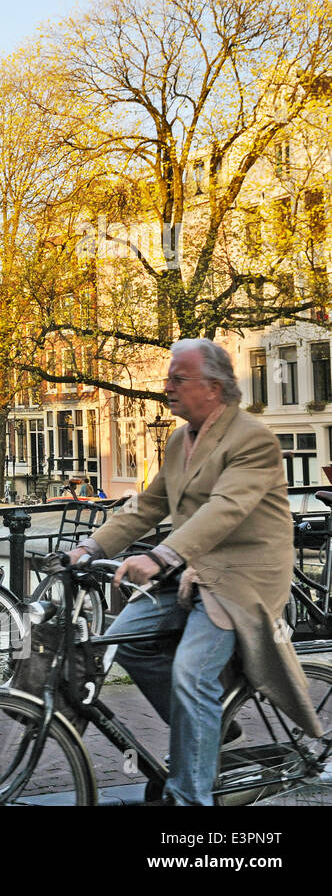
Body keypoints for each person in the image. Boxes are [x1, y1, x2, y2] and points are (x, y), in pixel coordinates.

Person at [68, 338, 320, 805]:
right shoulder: (178, 440)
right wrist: (90, 547)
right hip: (194, 568)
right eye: (169, 378)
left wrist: (160, 556)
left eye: (178, 379)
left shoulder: (252, 439)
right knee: (122, 641)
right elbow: (148, 505)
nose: (167, 387)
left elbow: (225, 509)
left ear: (214, 387)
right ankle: (209, 725)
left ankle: (190, 798)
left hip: (241, 577)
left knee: (192, 673)